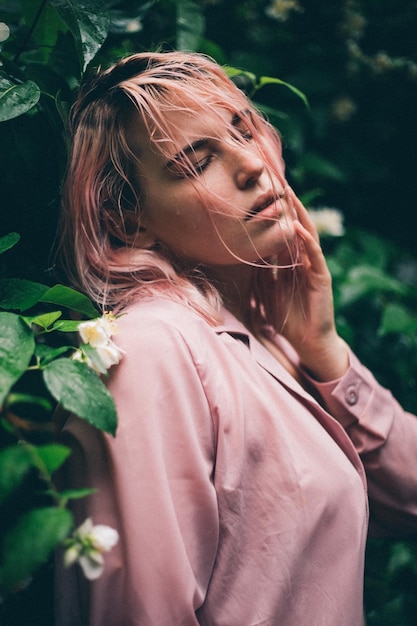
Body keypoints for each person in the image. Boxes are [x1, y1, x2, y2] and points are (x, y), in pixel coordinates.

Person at [55, 50, 417, 626]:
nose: (252, 164)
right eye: (197, 163)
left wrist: (324, 353)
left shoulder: (261, 336)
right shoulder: (150, 351)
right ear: (127, 219)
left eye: (244, 130)